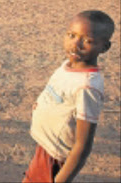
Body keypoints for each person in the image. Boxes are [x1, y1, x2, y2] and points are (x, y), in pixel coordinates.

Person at [23, 10, 115, 183]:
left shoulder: (88, 87)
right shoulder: (67, 65)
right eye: (71, 35)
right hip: (45, 146)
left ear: (104, 47)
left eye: (88, 41)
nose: (76, 45)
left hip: (55, 157)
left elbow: (82, 145)